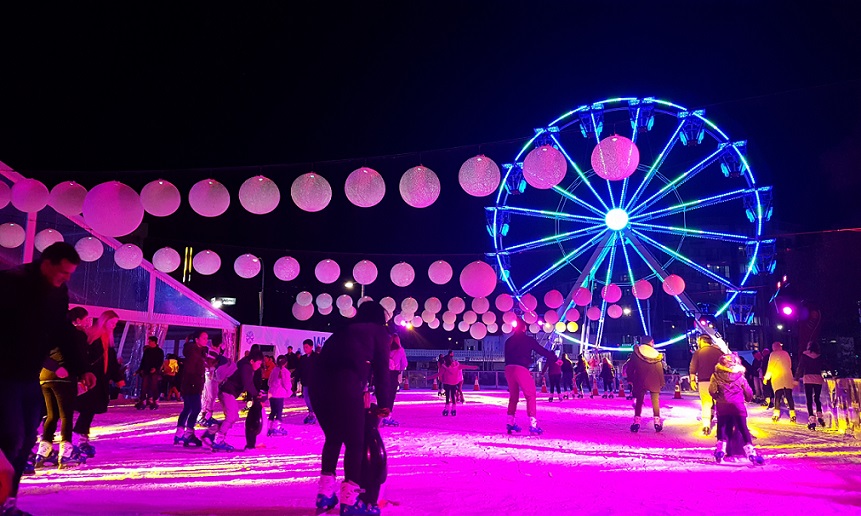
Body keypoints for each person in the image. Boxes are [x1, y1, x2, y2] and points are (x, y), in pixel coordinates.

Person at [0, 242, 96, 514]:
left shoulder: (58, 292)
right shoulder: (11, 283)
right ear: (47, 263)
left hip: (28, 377)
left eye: (69, 275)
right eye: (63, 272)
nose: (65, 279)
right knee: (11, 437)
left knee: (26, 440)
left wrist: (81, 367)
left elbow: (62, 331)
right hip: (4, 375)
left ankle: (8, 502)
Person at [310, 302, 392, 515]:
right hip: (345, 387)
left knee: (334, 438)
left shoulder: (343, 330)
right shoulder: (379, 332)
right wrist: (384, 405)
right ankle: (350, 501)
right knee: (355, 443)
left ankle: (325, 494)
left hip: (317, 388)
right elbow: (383, 371)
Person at [36, 307, 90, 470]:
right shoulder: (75, 334)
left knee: (51, 415)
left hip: (45, 377)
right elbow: (78, 357)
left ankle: (44, 450)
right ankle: (66, 452)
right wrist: (82, 374)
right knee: (66, 415)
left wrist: (51, 366)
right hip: (64, 377)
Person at [73, 310, 126, 459]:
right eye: (112, 323)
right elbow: (85, 357)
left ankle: (81, 437)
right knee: (87, 409)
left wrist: (117, 378)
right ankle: (80, 438)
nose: (114, 326)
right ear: (104, 321)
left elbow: (112, 362)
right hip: (92, 380)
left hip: (100, 380)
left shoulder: (107, 339)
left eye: (115, 323)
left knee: (89, 409)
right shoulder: (94, 337)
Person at [503, 319, 560, 435]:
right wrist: (555, 359)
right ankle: (533, 424)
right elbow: (541, 350)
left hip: (508, 369)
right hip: (521, 368)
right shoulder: (528, 340)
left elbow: (506, 356)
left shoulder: (508, 341)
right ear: (524, 328)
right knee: (530, 395)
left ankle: (510, 422)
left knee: (513, 396)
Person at [202, 348, 264, 452]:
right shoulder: (246, 367)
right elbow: (248, 383)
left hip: (228, 392)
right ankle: (218, 440)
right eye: (258, 363)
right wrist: (256, 395)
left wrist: (255, 393)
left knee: (234, 416)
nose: (259, 366)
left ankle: (210, 433)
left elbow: (248, 383)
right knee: (231, 417)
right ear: (252, 361)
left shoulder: (245, 365)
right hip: (228, 392)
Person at [709, 353, 765, 465]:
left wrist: (717, 397)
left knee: (722, 427)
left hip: (722, 406)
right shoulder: (740, 376)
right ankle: (751, 453)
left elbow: (712, 390)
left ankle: (720, 450)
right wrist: (748, 399)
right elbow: (748, 391)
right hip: (738, 406)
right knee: (743, 428)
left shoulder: (716, 375)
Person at [174, 331, 208, 447]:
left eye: (206, 338)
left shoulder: (198, 351)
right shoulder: (193, 352)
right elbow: (190, 370)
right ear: (197, 340)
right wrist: (195, 384)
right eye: (203, 338)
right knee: (196, 408)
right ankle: (188, 433)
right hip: (192, 385)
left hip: (191, 384)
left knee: (187, 408)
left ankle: (179, 434)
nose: (206, 340)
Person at [625, 336, 665, 432]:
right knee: (655, 401)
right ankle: (657, 422)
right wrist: (661, 382)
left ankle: (637, 422)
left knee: (639, 401)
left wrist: (630, 378)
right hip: (654, 379)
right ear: (650, 342)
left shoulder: (637, 353)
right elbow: (659, 369)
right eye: (653, 341)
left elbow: (630, 367)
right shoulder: (656, 354)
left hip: (640, 379)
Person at [689, 333, 723, 435]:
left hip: (704, 381)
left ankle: (706, 426)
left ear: (701, 341)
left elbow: (693, 367)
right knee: (720, 403)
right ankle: (722, 426)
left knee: (706, 404)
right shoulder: (719, 352)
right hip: (718, 381)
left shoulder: (698, 352)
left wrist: (692, 379)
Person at [796, 341, 826, 430]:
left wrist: (796, 378)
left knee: (809, 399)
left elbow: (800, 367)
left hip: (808, 378)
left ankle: (812, 419)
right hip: (817, 378)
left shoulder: (804, 356)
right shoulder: (820, 356)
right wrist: (833, 374)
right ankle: (820, 415)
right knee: (817, 398)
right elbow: (826, 364)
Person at [764, 341, 796, 422]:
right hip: (787, 376)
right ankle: (792, 414)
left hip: (778, 377)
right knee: (789, 395)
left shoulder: (773, 354)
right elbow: (790, 364)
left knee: (777, 396)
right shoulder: (786, 353)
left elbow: (770, 366)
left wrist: (766, 377)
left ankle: (776, 413)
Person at [199, 338, 225, 426]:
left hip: (211, 374)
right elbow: (209, 363)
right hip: (210, 374)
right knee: (211, 395)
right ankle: (205, 416)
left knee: (208, 395)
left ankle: (205, 415)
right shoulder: (210, 351)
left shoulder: (211, 350)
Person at [382, 333, 407, 426]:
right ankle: (388, 417)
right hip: (394, 374)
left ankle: (382, 414)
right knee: (391, 396)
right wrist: (399, 368)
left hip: (384, 374)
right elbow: (404, 363)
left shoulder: (385, 349)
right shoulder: (400, 350)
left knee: (384, 394)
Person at [136, 336, 164, 410]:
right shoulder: (147, 351)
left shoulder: (159, 351)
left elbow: (160, 361)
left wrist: (156, 368)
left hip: (154, 371)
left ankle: (155, 401)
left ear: (154, 342)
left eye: (150, 341)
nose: (149, 342)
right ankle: (143, 401)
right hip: (146, 370)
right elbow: (143, 361)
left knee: (154, 386)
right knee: (144, 386)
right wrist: (140, 369)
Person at [266, 355, 291, 436]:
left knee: (273, 411)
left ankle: (269, 427)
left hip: (271, 393)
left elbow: (269, 382)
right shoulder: (286, 372)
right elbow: (286, 384)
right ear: (286, 363)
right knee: (279, 411)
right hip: (279, 394)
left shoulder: (274, 370)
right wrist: (289, 390)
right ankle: (276, 428)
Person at [297, 339, 319, 425]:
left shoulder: (317, 357)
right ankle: (311, 413)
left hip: (314, 382)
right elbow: (299, 369)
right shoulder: (303, 358)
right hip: (305, 382)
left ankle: (313, 414)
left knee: (313, 398)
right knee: (306, 398)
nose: (305, 349)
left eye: (306, 347)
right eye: (304, 347)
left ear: (311, 347)